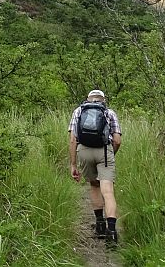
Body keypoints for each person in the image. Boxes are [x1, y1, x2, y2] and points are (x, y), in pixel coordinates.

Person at [68, 89, 123, 245]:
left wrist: (73, 164)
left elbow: (73, 140)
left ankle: (99, 225)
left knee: (94, 185)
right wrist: (112, 154)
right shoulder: (110, 113)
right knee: (108, 191)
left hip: (84, 151)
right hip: (105, 152)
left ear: (88, 99)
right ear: (103, 100)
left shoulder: (78, 111)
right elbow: (117, 140)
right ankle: (111, 232)